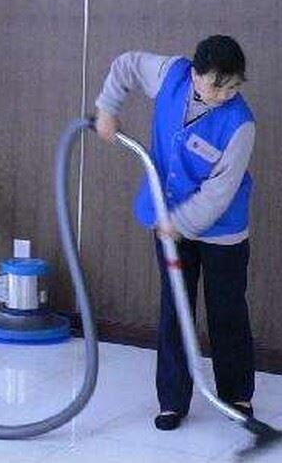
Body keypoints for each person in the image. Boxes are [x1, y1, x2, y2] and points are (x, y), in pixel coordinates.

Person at [94, 36, 255, 431]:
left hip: (222, 232)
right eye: (217, 85)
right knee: (176, 308)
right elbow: (127, 64)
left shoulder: (241, 124)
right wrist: (107, 108)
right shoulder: (172, 75)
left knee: (227, 311)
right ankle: (172, 400)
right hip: (168, 219)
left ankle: (237, 394)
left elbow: (219, 193)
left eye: (233, 86)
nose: (225, 95)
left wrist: (179, 224)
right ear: (195, 75)